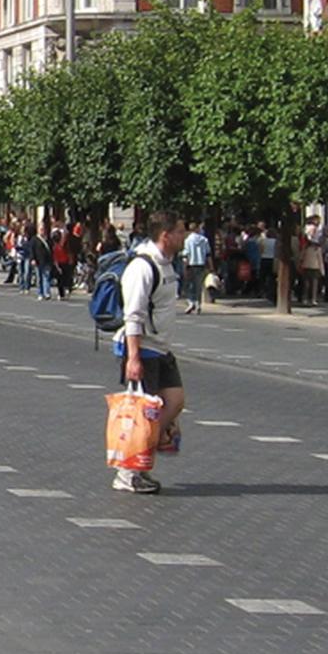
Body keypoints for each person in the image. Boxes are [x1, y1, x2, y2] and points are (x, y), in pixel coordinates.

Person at [113, 209, 188, 494]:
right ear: (166, 235)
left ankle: (144, 450)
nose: (185, 236)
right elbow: (133, 315)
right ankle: (129, 471)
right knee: (143, 414)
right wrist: (133, 357)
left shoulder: (167, 264)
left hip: (161, 348)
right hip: (142, 347)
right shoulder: (143, 267)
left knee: (175, 400)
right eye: (180, 231)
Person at [181, 222, 211, 314]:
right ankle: (198, 304)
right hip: (201, 265)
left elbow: (186, 255)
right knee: (198, 285)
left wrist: (185, 267)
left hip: (191, 265)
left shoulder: (188, 240)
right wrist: (211, 267)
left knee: (189, 285)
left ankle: (191, 302)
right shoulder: (204, 240)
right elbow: (208, 254)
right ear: (197, 229)